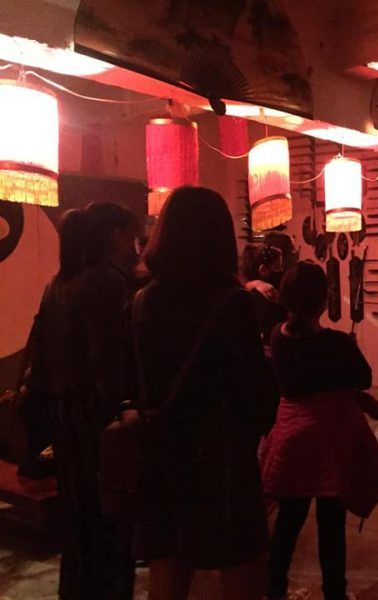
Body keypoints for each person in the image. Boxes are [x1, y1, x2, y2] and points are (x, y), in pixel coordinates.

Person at [130, 187, 279, 599]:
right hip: (221, 462)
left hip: (160, 457)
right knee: (243, 578)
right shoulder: (231, 303)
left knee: (167, 576)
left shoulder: (142, 302)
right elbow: (256, 396)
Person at [26, 203, 140, 599]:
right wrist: (123, 417)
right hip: (94, 418)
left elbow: (41, 360)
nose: (136, 247)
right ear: (114, 236)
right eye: (131, 237)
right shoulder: (106, 281)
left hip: (64, 416)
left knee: (80, 524)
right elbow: (108, 363)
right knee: (110, 522)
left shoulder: (58, 283)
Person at [259, 261, 378, 600]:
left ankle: (274, 591)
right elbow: (363, 377)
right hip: (330, 440)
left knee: (288, 521)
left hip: (292, 438)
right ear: (323, 300)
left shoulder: (277, 336)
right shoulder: (336, 343)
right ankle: (335, 593)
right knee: (331, 525)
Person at [240, 244, 287, 347]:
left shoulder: (245, 292)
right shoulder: (267, 294)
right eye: (277, 267)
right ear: (263, 270)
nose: (281, 271)